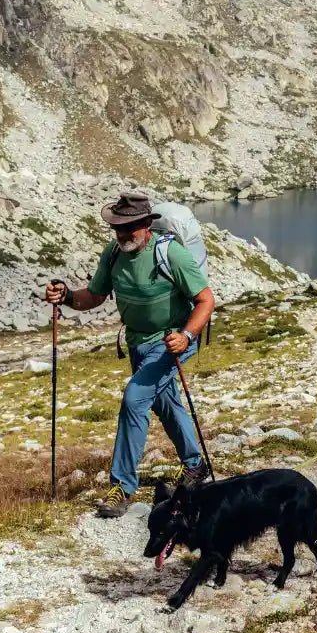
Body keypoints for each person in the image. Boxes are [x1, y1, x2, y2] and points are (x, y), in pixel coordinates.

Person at [45, 191, 216, 518]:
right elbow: (94, 296)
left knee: (135, 399)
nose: (122, 235)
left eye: (128, 228)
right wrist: (66, 296)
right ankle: (195, 465)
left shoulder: (171, 254)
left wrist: (186, 335)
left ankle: (121, 487)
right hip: (139, 342)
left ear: (145, 225)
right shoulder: (113, 254)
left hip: (171, 342)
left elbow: (206, 301)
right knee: (165, 402)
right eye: (117, 229)